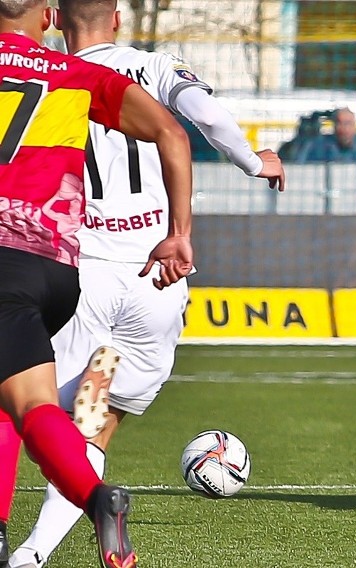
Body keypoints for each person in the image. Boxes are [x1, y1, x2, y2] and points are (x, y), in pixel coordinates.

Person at [7, 1, 285, 567]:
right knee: (95, 418)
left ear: (56, 18)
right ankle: (35, 552)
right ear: (115, 17)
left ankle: (33, 545)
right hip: (154, 275)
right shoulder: (153, 69)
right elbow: (202, 120)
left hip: (81, 268)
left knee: (24, 398)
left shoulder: (47, 75)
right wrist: (256, 164)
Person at [0, 0, 195, 566]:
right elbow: (179, 132)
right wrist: (181, 232)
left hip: (52, 265)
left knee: (34, 408)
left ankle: (83, 503)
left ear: (62, 19)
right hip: (80, 271)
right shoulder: (89, 74)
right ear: (46, 18)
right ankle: (29, 546)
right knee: (69, 408)